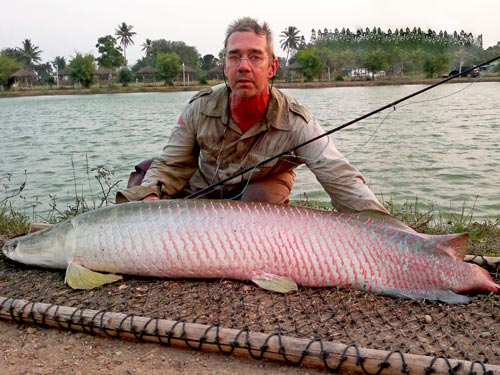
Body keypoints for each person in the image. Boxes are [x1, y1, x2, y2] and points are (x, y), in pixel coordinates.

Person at [116, 17, 388, 215]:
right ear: (225, 67)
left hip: (261, 187)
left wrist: (383, 224)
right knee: (141, 180)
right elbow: (171, 163)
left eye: (255, 57)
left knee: (260, 199)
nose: (244, 66)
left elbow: (340, 176)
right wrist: (151, 197)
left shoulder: (296, 121)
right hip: (206, 182)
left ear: (272, 67)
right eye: (235, 57)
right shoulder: (199, 106)